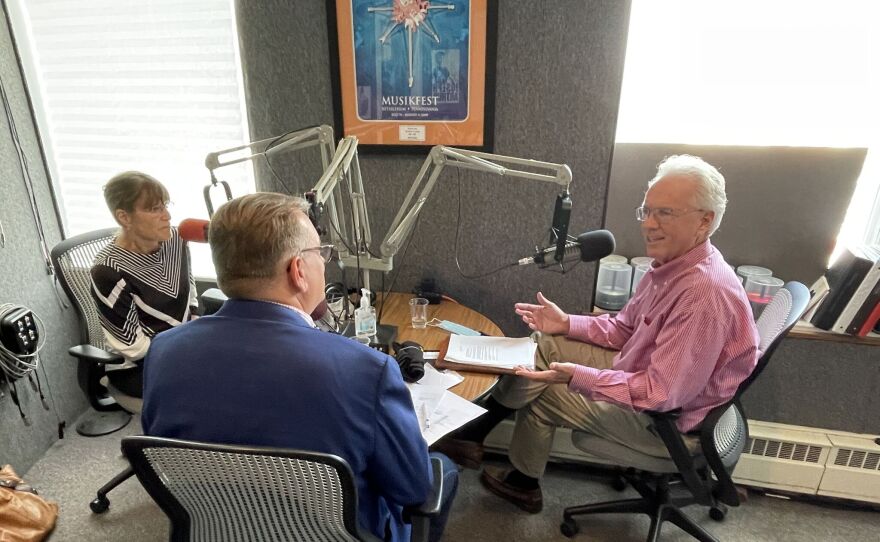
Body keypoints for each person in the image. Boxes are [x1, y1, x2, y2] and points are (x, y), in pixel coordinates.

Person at [434, 154, 760, 514]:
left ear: (705, 221)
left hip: (668, 426)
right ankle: (479, 442)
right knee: (547, 343)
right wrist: (566, 324)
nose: (649, 224)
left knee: (543, 392)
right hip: (653, 378)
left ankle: (504, 465)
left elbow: (659, 394)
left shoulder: (703, 295)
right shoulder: (672, 267)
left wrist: (578, 376)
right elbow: (624, 330)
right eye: (646, 211)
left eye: (665, 213)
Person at [141, 193, 458, 542]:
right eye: (321, 253)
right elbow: (412, 489)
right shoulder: (367, 370)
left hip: (219, 530)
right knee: (445, 471)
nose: (325, 263)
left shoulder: (164, 350)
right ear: (298, 270)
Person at [90, 171, 196, 398]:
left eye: (165, 206)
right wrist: (188, 351)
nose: (167, 216)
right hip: (139, 366)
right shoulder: (108, 271)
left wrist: (196, 325)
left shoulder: (176, 239)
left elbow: (190, 290)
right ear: (124, 217)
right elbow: (132, 347)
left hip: (185, 343)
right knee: (210, 383)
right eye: (155, 209)